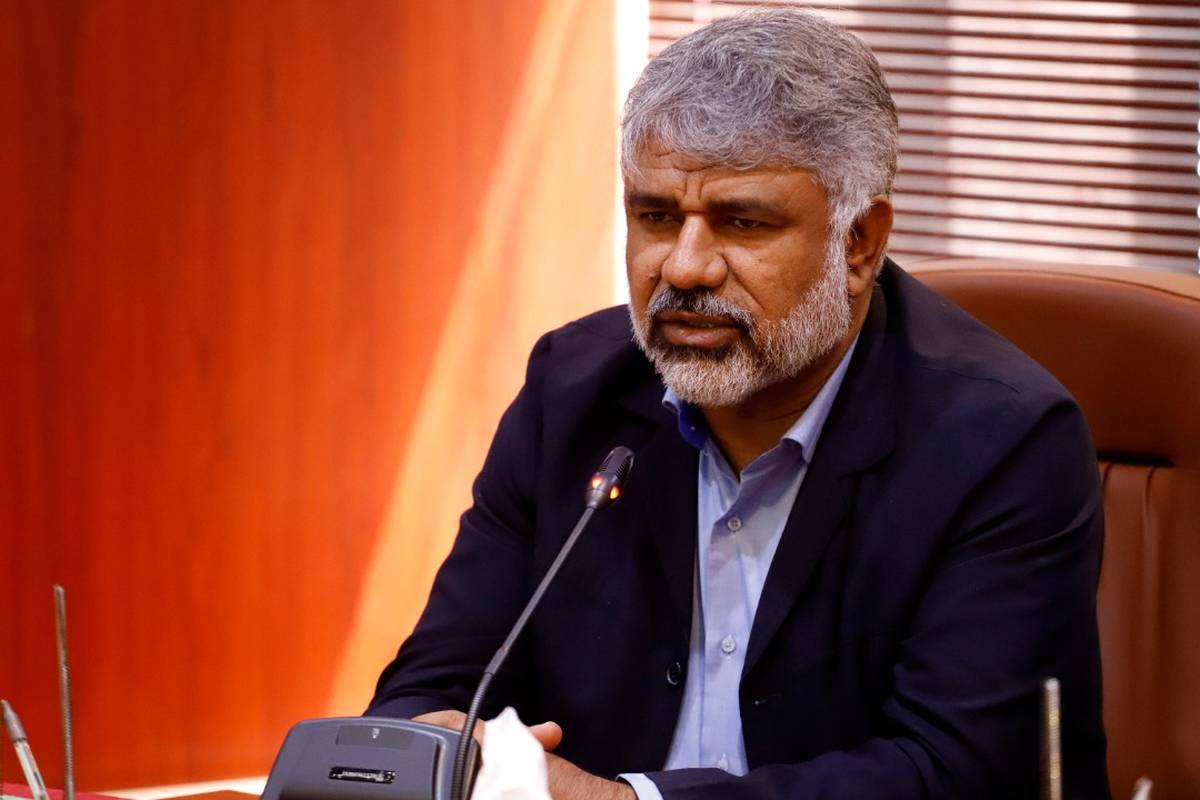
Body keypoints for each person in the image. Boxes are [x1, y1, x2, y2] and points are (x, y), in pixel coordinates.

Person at [366, 9, 1110, 799]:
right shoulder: (574, 391)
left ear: (859, 243)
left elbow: (959, 774)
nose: (684, 268)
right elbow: (434, 688)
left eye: (742, 222)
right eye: (656, 216)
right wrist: (437, 752)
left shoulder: (1001, 441)